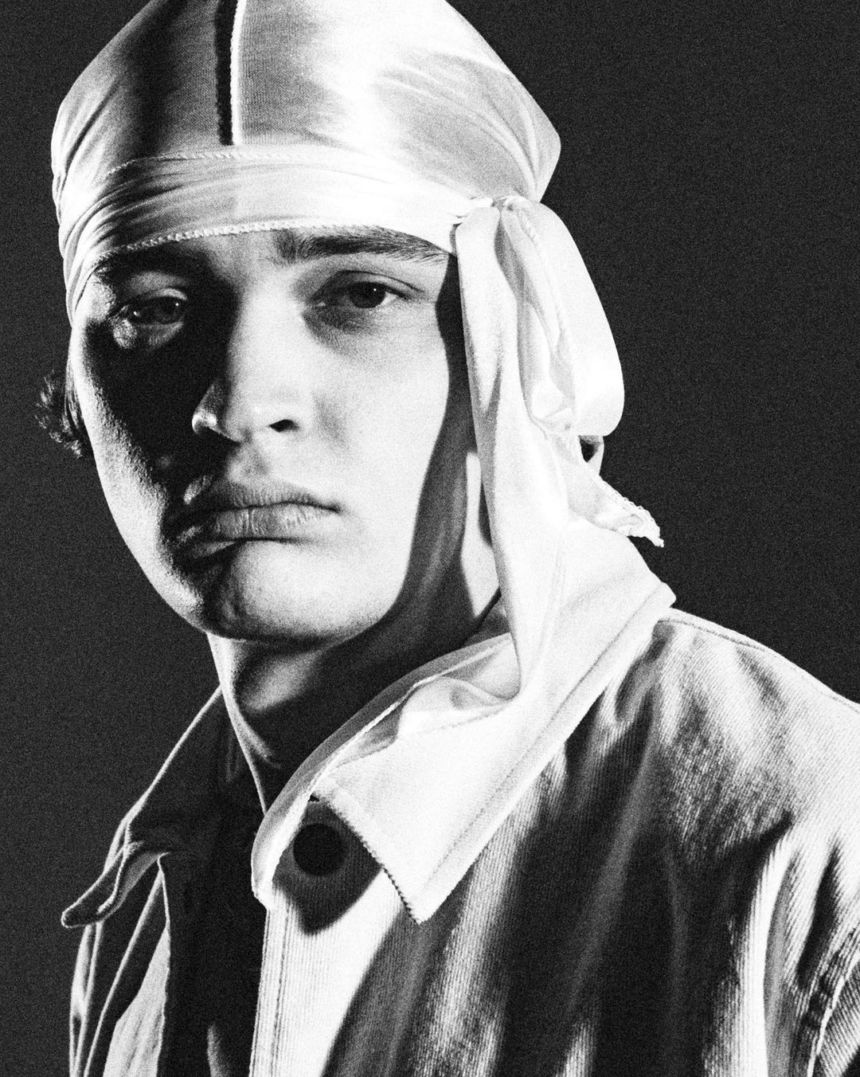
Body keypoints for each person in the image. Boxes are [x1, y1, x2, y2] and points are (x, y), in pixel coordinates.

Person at [44, 0, 860, 1074]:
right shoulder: (146, 903)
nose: (237, 402)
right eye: (154, 309)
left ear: (509, 334)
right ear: (74, 392)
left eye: (359, 293)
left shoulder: (810, 852)